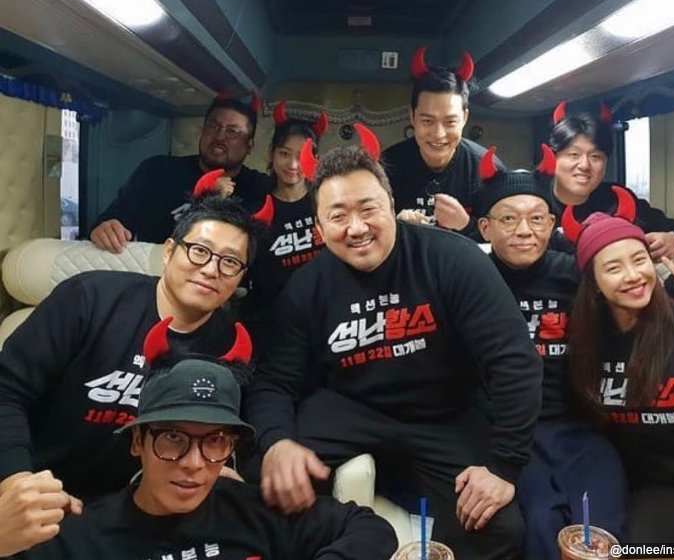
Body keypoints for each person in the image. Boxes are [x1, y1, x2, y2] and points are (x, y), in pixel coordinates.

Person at [246, 131, 543, 560]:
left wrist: (504, 466)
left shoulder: (454, 260)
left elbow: (514, 361)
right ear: (320, 228)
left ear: (391, 206)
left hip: (445, 412)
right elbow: (275, 380)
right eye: (338, 216)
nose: (356, 228)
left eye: (368, 209)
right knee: (262, 476)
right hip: (350, 407)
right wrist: (276, 442)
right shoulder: (306, 286)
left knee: (498, 527)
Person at [18, 319, 398, 559]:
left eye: (215, 441)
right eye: (172, 437)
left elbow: (370, 528)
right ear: (137, 441)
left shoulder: (253, 511)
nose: (194, 463)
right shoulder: (79, 537)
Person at [0, 194, 261, 506]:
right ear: (169, 251)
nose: (210, 269)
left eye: (230, 262)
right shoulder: (89, 298)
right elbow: (7, 390)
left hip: (142, 510)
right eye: (200, 251)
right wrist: (17, 480)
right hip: (43, 488)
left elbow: (224, 430)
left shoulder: (230, 344)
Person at [477, 145, 628, 559]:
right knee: (541, 525)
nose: (525, 230)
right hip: (509, 433)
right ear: (486, 228)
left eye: (537, 218)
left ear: (552, 224)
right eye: (509, 218)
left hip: (578, 428)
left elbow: (636, 298)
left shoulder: (577, 275)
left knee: (602, 529)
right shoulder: (471, 279)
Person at [564, 206, 674, 543]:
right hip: (661, 484)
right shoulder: (587, 347)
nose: (633, 275)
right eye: (614, 268)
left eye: (639, 260)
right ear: (595, 285)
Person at [90, 95, 270, 253]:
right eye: (213, 126)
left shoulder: (260, 188)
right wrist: (105, 228)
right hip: (155, 273)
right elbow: (116, 217)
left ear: (249, 146)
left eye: (232, 131)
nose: (220, 137)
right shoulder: (157, 171)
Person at [382, 46, 501, 240]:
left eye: (450, 122)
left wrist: (466, 224)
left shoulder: (488, 169)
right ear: (412, 117)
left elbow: (505, 238)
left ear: (464, 117)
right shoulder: (386, 167)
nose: (439, 134)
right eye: (427, 121)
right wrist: (395, 226)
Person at [549, 101, 674, 260]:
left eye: (595, 156)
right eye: (574, 155)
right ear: (553, 156)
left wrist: (673, 238)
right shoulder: (534, 198)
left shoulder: (615, 198)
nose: (584, 165)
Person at [239, 101, 327, 356]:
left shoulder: (327, 204)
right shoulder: (253, 211)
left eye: (303, 155)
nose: (293, 164)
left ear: (315, 159)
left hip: (321, 316)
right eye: (284, 153)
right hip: (269, 322)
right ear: (271, 154)